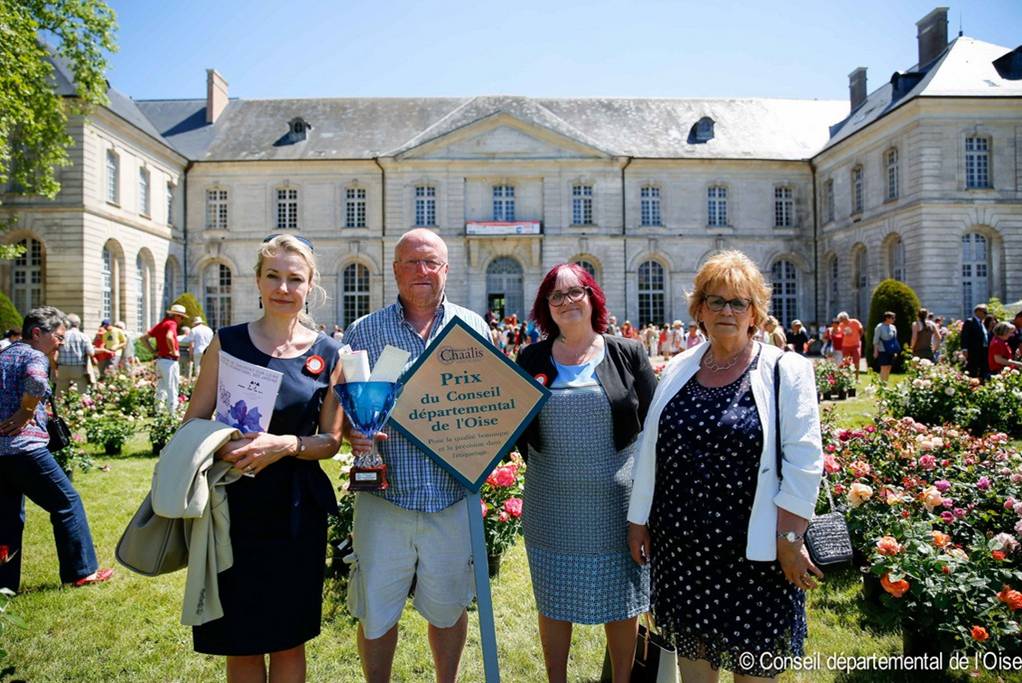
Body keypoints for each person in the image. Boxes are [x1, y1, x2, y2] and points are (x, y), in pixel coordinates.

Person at [626, 250, 823, 681]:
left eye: (740, 302)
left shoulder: (784, 369)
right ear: (699, 309)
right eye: (717, 301)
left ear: (756, 313)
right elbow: (652, 450)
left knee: (753, 668)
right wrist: (638, 520)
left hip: (754, 553)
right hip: (681, 549)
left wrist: (790, 537)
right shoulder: (680, 366)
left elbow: (805, 460)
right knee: (695, 664)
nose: (728, 311)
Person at [181, 234, 343, 681]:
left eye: (295, 278)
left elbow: (331, 442)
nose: (283, 288)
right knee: (243, 640)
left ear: (311, 285)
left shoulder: (328, 354)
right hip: (233, 507)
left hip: (297, 511)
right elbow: (192, 422)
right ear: (257, 280)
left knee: (289, 640)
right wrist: (219, 443)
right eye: (273, 276)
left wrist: (286, 444)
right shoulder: (226, 342)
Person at [342, 229, 490, 683]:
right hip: (387, 496)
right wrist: (355, 434)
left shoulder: (473, 328)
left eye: (431, 262)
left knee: (448, 608)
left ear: (446, 269)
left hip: (450, 497)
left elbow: (490, 403)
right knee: (377, 610)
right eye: (411, 262)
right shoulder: (364, 330)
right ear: (395, 270)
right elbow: (346, 411)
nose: (422, 271)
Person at [515, 264, 656, 683]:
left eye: (575, 292)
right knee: (554, 599)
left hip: (618, 507)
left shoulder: (626, 352)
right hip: (550, 505)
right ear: (546, 308)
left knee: (622, 600)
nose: (566, 301)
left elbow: (653, 430)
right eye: (556, 296)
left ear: (592, 296)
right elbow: (517, 427)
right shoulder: (532, 357)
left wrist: (645, 510)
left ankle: (622, 678)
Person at [0, 307, 114, 592]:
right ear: (37, 333)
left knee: (8, 518)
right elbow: (38, 382)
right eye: (58, 336)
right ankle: (82, 571)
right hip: (26, 449)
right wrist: (26, 412)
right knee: (67, 502)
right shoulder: (34, 355)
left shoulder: (3, 354)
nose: (61, 342)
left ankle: (5, 583)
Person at [145, 304, 187, 412]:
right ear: (176, 316)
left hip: (160, 360)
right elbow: (169, 336)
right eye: (181, 317)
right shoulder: (172, 324)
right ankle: (172, 412)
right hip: (169, 361)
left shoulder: (161, 324)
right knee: (172, 387)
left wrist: (152, 351)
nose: (181, 320)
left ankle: (158, 410)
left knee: (160, 387)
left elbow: (144, 338)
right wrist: (174, 350)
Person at [55, 313, 95, 396]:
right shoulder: (84, 336)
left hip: (62, 367)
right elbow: (91, 353)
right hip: (78, 367)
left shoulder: (62, 335)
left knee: (61, 392)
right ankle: (82, 405)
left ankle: (60, 406)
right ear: (78, 324)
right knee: (81, 391)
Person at [961, 303, 990, 379]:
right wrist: (965, 349)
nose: (986, 315)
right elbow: (965, 336)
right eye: (985, 312)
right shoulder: (970, 322)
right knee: (973, 369)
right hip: (973, 350)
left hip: (983, 350)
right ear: (978, 312)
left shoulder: (982, 323)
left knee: (982, 369)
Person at [873, 311, 899, 383]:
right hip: (882, 350)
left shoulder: (893, 327)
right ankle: (882, 384)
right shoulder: (879, 327)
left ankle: (885, 383)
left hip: (890, 350)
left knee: (889, 367)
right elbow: (876, 340)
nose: (894, 319)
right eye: (892, 318)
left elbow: (894, 339)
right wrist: (875, 351)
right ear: (887, 318)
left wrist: (895, 351)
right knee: (884, 367)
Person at [838, 312, 863, 379]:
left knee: (856, 362)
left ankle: (857, 378)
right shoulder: (841, 325)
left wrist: (858, 338)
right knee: (845, 362)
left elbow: (861, 330)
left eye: (842, 319)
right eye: (840, 320)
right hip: (845, 346)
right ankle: (847, 377)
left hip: (855, 345)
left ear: (846, 318)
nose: (841, 321)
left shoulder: (855, 322)